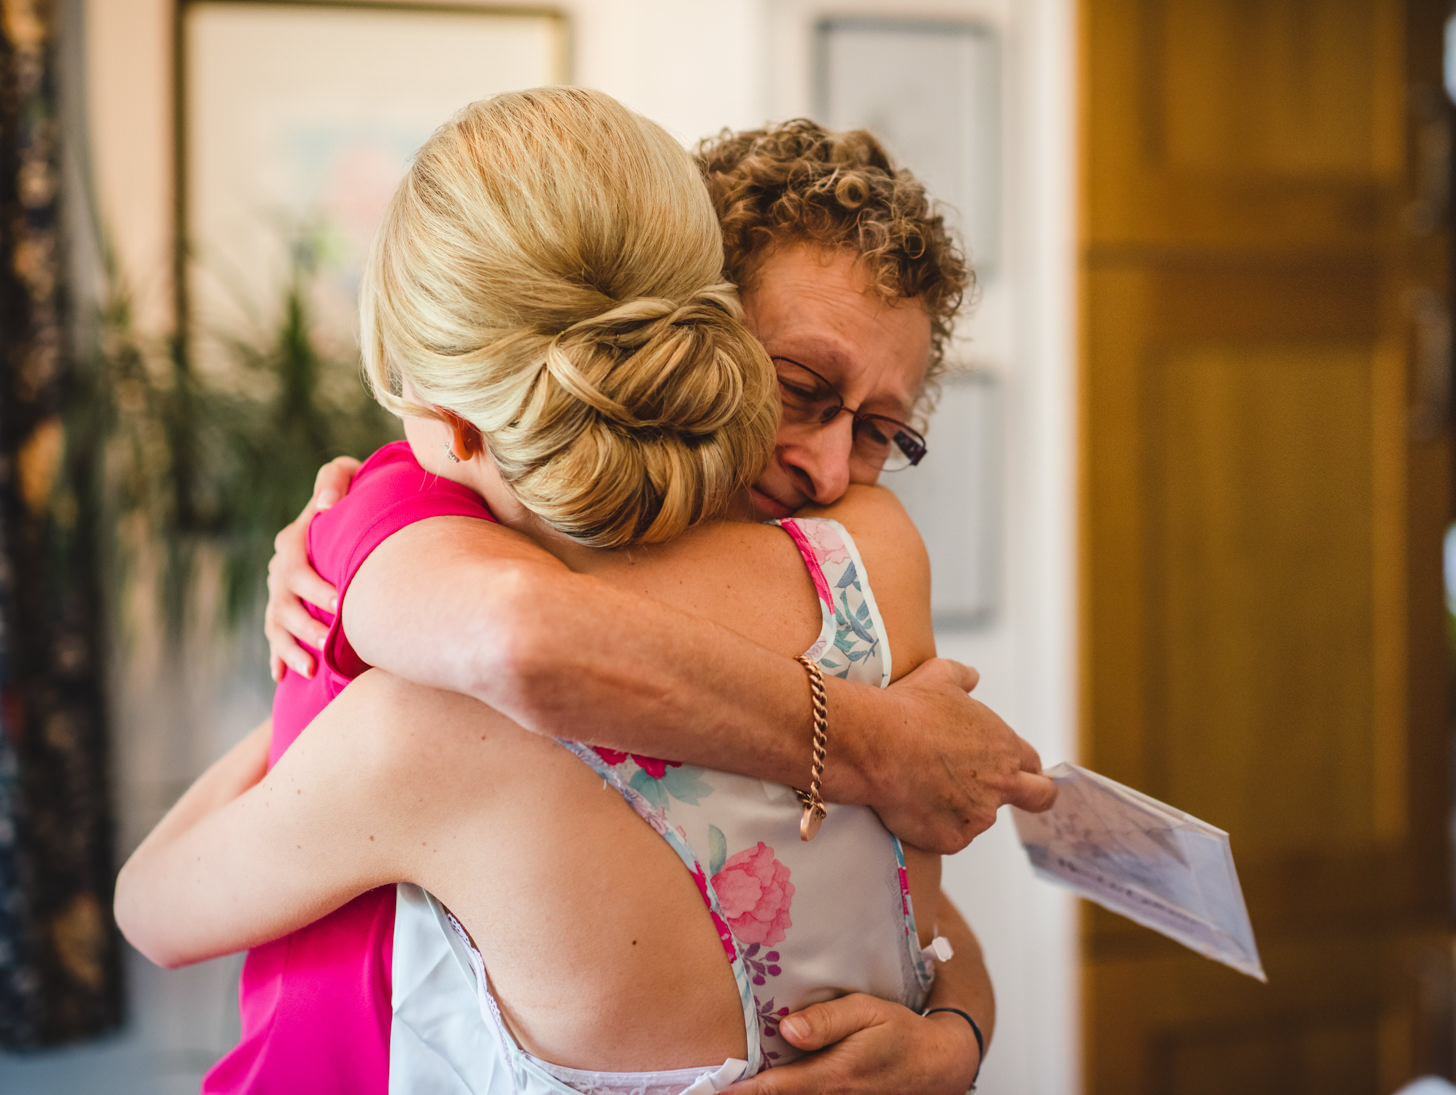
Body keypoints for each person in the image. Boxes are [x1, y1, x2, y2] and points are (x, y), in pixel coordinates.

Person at [116, 88, 1005, 1095]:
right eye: (798, 386)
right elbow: (520, 635)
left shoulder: (427, 710)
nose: (833, 469)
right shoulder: (873, 568)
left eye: (885, 431)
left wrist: (955, 1032)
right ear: (687, 323)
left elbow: (915, 904)